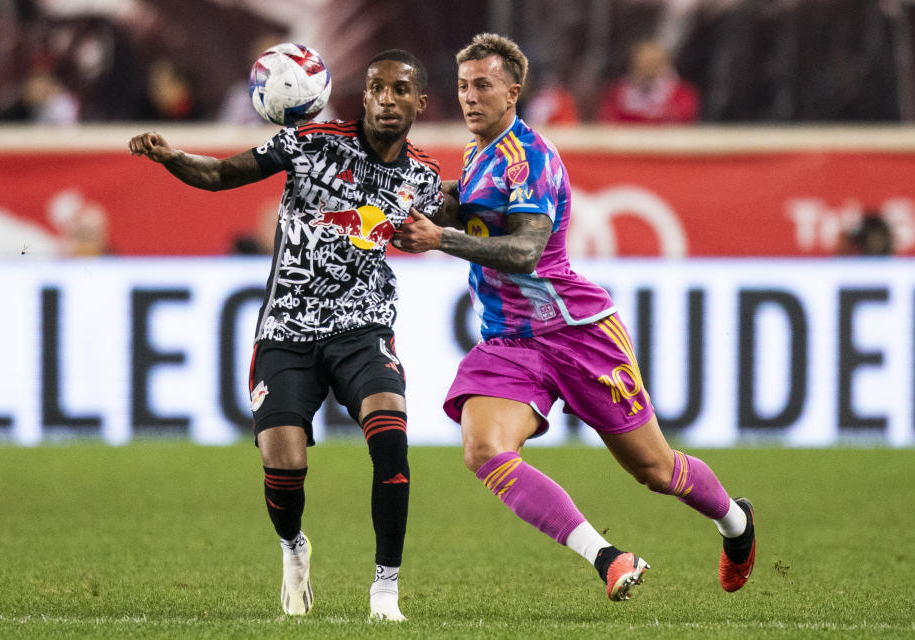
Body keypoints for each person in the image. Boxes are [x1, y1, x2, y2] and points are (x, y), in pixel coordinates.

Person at [393, 33, 755, 602]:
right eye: (463, 86)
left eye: (482, 86)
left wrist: (441, 237)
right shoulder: (479, 153)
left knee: (656, 471)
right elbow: (468, 205)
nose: (469, 97)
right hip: (510, 342)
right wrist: (408, 197)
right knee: (483, 449)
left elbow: (525, 251)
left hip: (577, 334)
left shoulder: (530, 157)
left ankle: (735, 523)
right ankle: (607, 557)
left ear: (513, 92)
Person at [129, 48, 443, 621]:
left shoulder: (422, 179)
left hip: (361, 325)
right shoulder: (311, 142)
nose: (387, 100)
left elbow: (450, 223)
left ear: (420, 103)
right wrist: (171, 156)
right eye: (377, 89)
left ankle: (385, 591)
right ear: (362, 96)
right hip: (287, 329)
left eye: (401, 91)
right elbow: (224, 174)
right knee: (284, 466)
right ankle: (293, 549)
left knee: (390, 432)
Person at [597, 38, 699, 124]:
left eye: (652, 63)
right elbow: (608, 122)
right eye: (642, 63)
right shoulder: (616, 94)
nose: (647, 68)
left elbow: (682, 121)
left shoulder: (682, 94)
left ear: (665, 63)